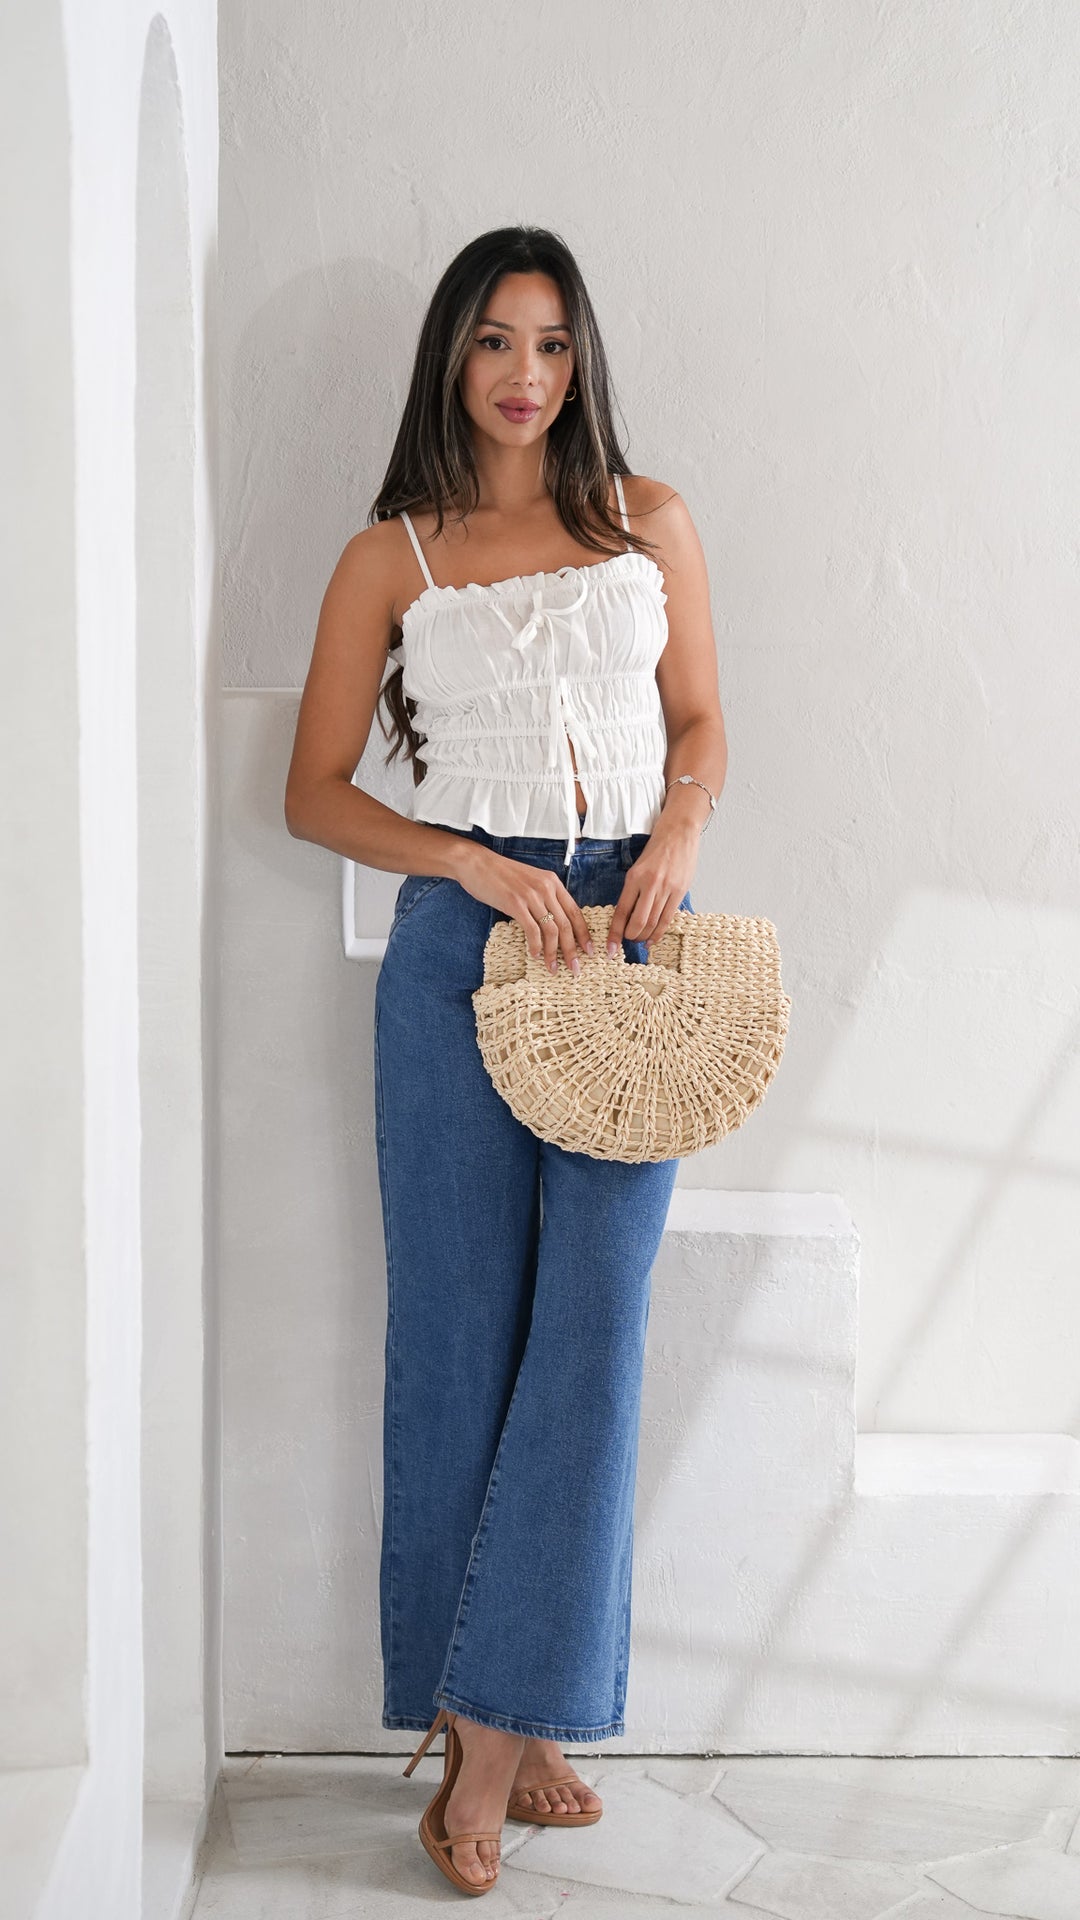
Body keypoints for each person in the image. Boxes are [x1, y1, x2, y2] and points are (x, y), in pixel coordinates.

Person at [284, 224, 727, 1895]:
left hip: (629, 942)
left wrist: (677, 826)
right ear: (451, 359)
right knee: (460, 1334)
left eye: (549, 342)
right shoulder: (388, 556)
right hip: (462, 950)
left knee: (593, 1331)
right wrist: (467, 862)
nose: (523, 374)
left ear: (581, 357)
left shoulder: (648, 521)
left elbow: (704, 722)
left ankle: (501, 1722)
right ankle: (498, 1739)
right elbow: (313, 790)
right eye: (491, 340)